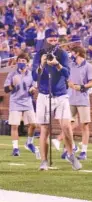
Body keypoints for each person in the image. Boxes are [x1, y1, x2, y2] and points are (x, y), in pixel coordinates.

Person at [32, 29, 82, 171]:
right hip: (44, 94)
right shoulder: (39, 55)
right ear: (46, 39)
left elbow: (67, 74)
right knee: (45, 129)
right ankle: (43, 161)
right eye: (51, 39)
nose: (53, 42)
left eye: (56, 39)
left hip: (60, 94)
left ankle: (71, 154)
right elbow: (35, 77)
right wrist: (42, 64)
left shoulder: (62, 54)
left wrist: (57, 64)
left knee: (66, 126)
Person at [56, 46, 92, 160]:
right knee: (66, 125)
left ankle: (84, 151)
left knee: (84, 125)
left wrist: (82, 87)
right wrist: (69, 83)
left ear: (77, 53)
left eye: (72, 52)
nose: (70, 54)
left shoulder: (89, 66)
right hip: (70, 99)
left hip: (83, 99)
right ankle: (70, 148)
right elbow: (66, 77)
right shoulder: (70, 65)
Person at [3, 53, 37, 156]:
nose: (21, 63)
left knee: (34, 124)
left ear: (27, 62)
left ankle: (29, 142)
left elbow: (34, 87)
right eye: (19, 61)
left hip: (27, 102)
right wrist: (13, 84)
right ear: (17, 61)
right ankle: (15, 148)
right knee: (15, 125)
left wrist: (32, 90)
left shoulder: (31, 74)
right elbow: (5, 89)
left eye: (23, 61)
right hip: (15, 102)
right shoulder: (12, 74)